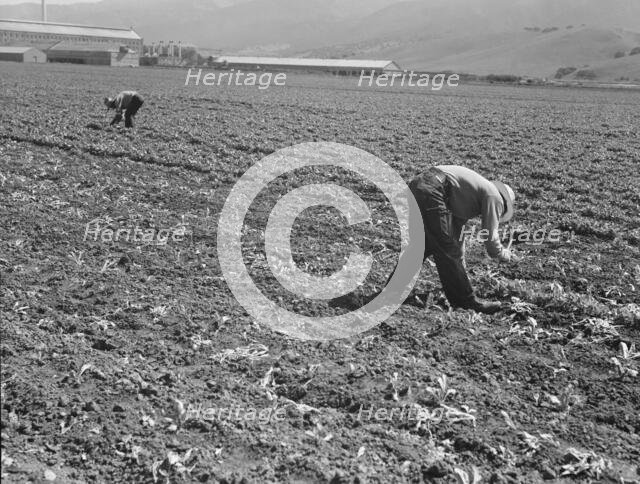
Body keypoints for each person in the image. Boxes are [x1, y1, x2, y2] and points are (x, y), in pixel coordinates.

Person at [386, 165, 518, 314]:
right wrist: (503, 254)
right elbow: (490, 238)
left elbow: (455, 236)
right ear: (504, 203)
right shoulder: (494, 197)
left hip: (420, 185)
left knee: (423, 246)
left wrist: (461, 270)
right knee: (445, 249)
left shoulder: (470, 195)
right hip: (433, 188)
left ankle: (391, 292)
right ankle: (466, 303)